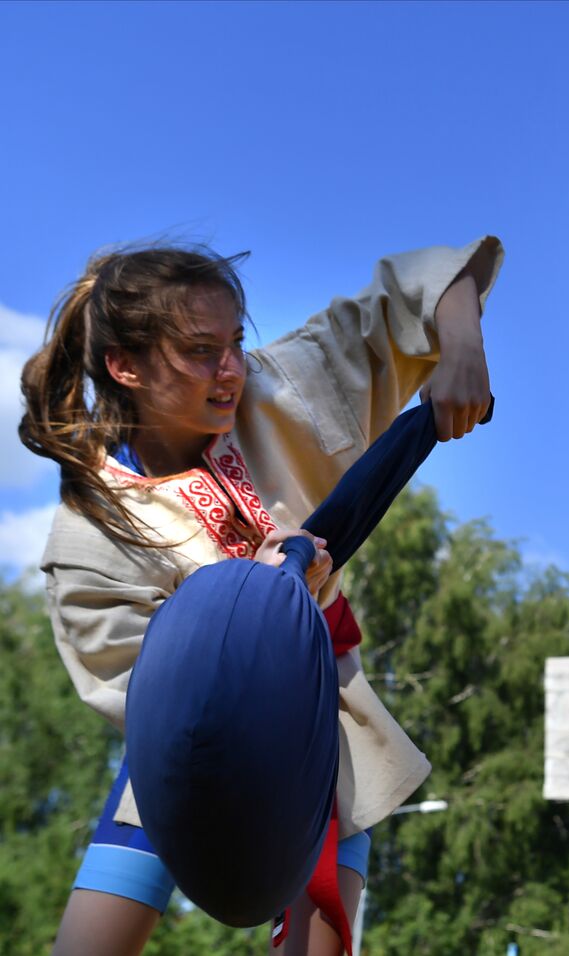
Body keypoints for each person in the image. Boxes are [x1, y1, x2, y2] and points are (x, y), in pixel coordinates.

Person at [20, 237, 502, 956]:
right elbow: (147, 689)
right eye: (198, 351)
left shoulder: (283, 389)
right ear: (125, 366)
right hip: (186, 749)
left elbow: (427, 281)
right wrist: (256, 602)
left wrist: (461, 348)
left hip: (320, 725)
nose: (229, 370)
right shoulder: (94, 530)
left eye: (235, 344)